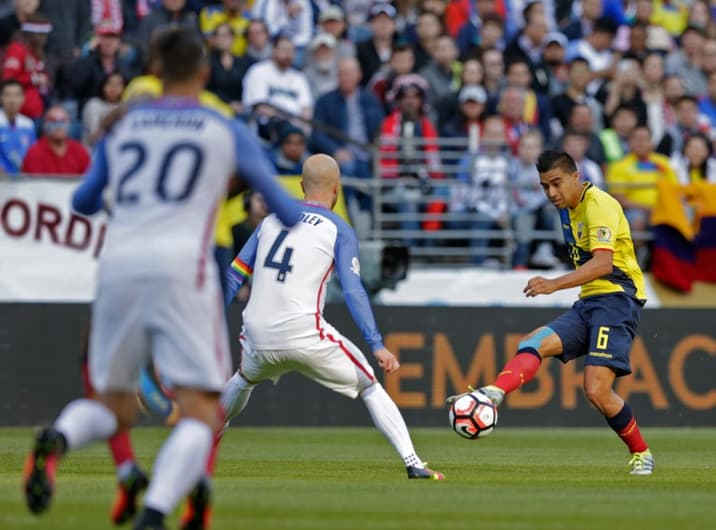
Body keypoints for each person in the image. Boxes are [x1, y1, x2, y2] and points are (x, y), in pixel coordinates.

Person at [22, 26, 301, 530]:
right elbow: (285, 209)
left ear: (154, 71)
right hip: (182, 271)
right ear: (205, 72)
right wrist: (230, 182)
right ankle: (154, 515)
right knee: (201, 408)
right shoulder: (224, 128)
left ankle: (58, 439)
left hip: (117, 267)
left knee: (110, 403)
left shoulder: (123, 125)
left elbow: (84, 202)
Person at [221, 153, 444, 482]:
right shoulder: (338, 228)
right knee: (370, 386)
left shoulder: (269, 221)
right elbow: (353, 291)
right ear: (337, 189)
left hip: (256, 335)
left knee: (243, 379)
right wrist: (377, 344)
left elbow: (234, 275)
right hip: (304, 333)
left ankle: (196, 450)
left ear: (301, 185)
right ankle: (413, 463)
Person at [448, 150, 655, 476]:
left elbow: (603, 264)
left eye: (557, 183)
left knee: (596, 390)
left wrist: (553, 284)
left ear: (576, 177)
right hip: (590, 302)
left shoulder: (598, 204)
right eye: (545, 186)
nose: (551, 193)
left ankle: (641, 453)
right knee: (533, 342)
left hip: (617, 300)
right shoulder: (566, 211)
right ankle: (495, 392)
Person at [21, 105, 91, 176]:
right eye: (53, 121)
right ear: (45, 125)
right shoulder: (34, 153)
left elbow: (89, 181)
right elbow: (31, 184)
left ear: (69, 124)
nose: (58, 126)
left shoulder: (80, 151)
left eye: (63, 121)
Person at [0, 78, 36, 175]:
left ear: (23, 98)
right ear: (1, 97)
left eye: (17, 95)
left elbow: (33, 154)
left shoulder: (28, 124)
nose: (12, 100)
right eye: (7, 95)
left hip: (23, 180)